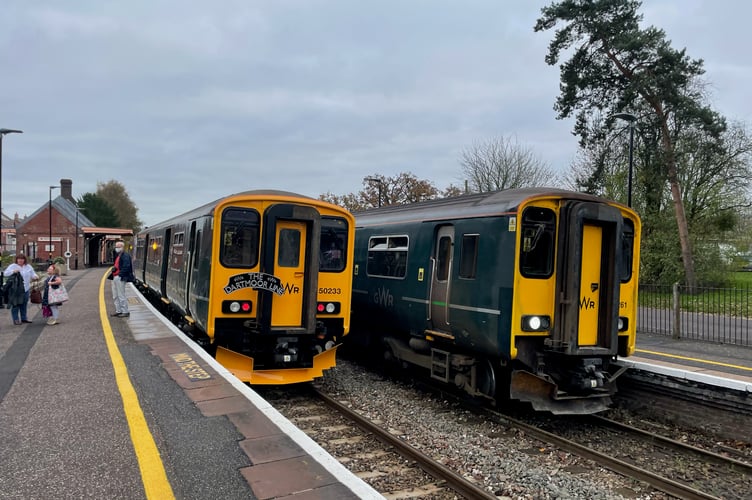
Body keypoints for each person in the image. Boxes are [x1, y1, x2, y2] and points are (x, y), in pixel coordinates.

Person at [3, 254, 39, 325]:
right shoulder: (12, 266)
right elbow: (5, 274)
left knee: (24, 304)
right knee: (15, 304)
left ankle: (24, 318)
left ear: (24, 260)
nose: (20, 260)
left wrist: (35, 276)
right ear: (16, 260)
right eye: (19, 259)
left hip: (26, 288)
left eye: (22, 259)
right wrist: (13, 271)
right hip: (16, 289)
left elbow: (33, 274)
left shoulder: (28, 266)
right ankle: (16, 319)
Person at [111, 240, 135, 317]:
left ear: (122, 247)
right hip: (115, 276)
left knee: (121, 295)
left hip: (120, 277)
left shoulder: (125, 256)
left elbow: (127, 266)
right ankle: (118, 310)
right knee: (115, 295)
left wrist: (120, 275)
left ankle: (125, 311)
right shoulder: (118, 255)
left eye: (117, 247)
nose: (116, 248)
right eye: (116, 247)